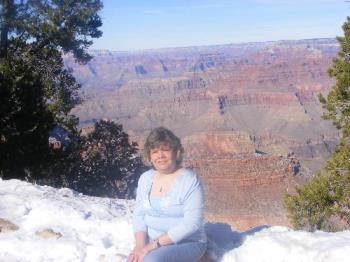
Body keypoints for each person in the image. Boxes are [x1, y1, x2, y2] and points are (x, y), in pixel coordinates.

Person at [128, 127, 207, 262]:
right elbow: (139, 215)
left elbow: (192, 223)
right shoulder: (146, 179)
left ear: (176, 152)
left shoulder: (189, 180)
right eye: (155, 151)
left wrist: (153, 245)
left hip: (187, 242)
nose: (160, 156)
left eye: (165, 150)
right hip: (153, 244)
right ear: (150, 156)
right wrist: (140, 246)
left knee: (151, 260)